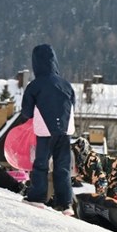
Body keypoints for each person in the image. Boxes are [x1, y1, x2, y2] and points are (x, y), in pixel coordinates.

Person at [20, 44, 76, 213]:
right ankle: (65, 203)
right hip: (66, 130)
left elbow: (26, 111)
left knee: (41, 164)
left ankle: (37, 197)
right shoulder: (66, 84)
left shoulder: (35, 85)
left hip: (45, 130)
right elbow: (73, 104)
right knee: (63, 166)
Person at [70, 136, 117, 206]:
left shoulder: (91, 162)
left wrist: (98, 205)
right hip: (111, 181)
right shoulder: (80, 167)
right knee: (109, 204)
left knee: (115, 208)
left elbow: (102, 183)